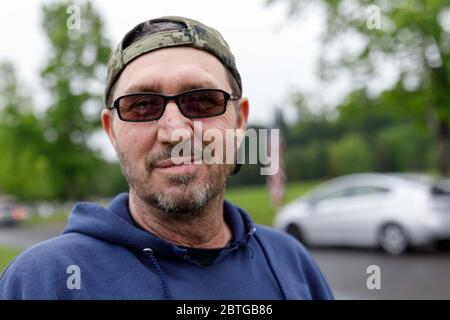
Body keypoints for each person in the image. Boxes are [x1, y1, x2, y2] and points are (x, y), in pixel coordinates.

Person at [0, 16, 333, 300]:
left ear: (240, 120)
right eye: (142, 105)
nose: (175, 132)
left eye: (202, 101)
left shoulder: (292, 261)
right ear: (111, 130)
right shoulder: (42, 281)